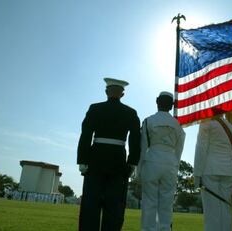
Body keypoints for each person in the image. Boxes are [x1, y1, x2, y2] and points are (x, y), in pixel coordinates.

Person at [77, 77, 141, 231]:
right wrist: (132, 163)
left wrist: (82, 160)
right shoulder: (131, 112)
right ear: (122, 94)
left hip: (95, 159)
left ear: (106, 91)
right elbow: (135, 140)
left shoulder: (95, 108)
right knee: (114, 207)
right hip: (118, 161)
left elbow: (85, 135)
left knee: (90, 204)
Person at [137, 91, 185, 231]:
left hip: (152, 160)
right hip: (170, 162)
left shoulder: (148, 121)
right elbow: (179, 148)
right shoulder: (178, 125)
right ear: (172, 106)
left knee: (149, 201)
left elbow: (143, 146)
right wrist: (175, 164)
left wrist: (139, 169)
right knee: (167, 201)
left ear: (157, 101)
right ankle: (165, 228)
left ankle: (148, 229)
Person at [193, 114, 232, 231]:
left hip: (210, 170)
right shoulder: (231, 127)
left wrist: (197, 174)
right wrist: (229, 168)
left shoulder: (206, 122)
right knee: (226, 212)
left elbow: (201, 148)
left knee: (211, 213)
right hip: (229, 171)